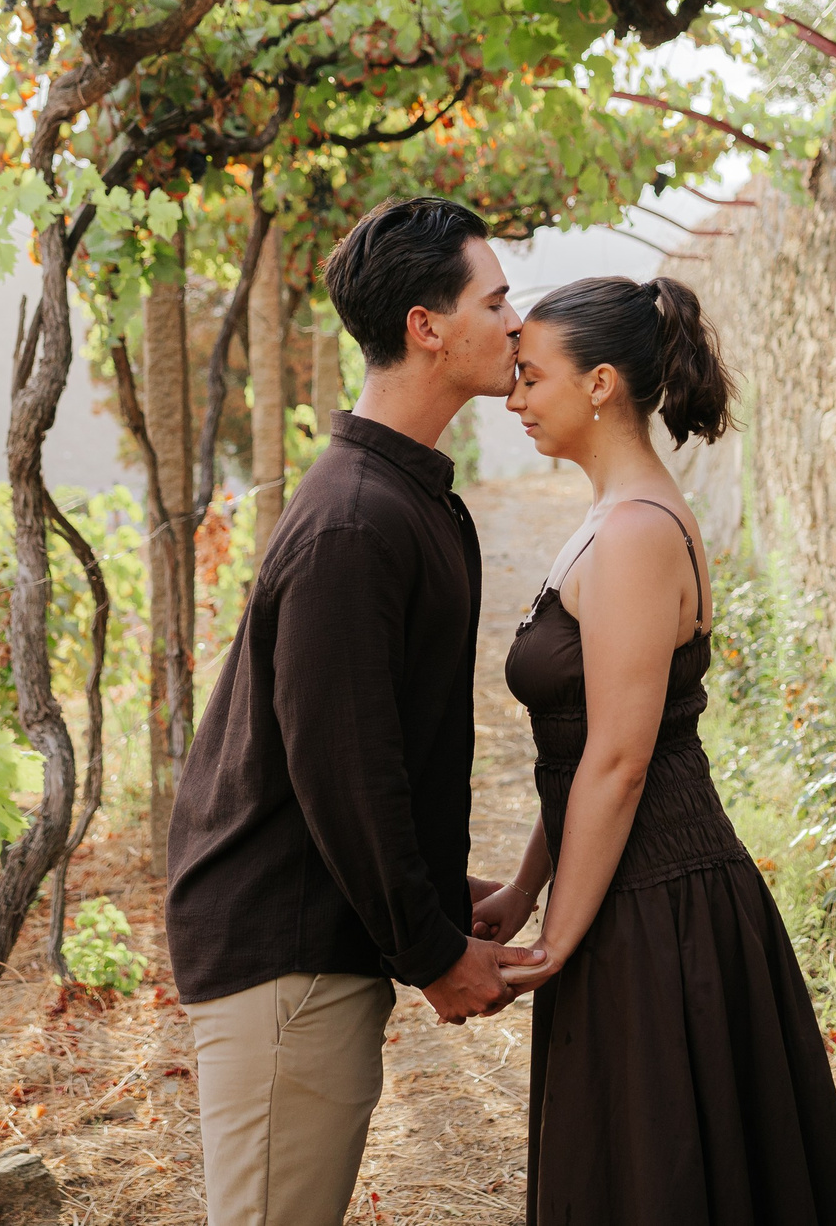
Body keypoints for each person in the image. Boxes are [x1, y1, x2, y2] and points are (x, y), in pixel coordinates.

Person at [167, 196, 546, 1226]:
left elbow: (375, 739)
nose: (515, 322)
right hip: (282, 954)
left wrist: (433, 893)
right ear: (427, 327)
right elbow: (342, 769)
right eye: (494, 301)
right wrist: (433, 954)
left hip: (314, 940)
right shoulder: (355, 521)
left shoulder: (401, 499)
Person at [473, 275, 836, 1226]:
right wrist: (527, 887)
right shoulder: (613, 518)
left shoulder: (634, 534)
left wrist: (560, 936)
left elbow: (620, 762)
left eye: (532, 376)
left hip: (656, 904)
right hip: (629, 886)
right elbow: (586, 749)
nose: (514, 396)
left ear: (601, 383)